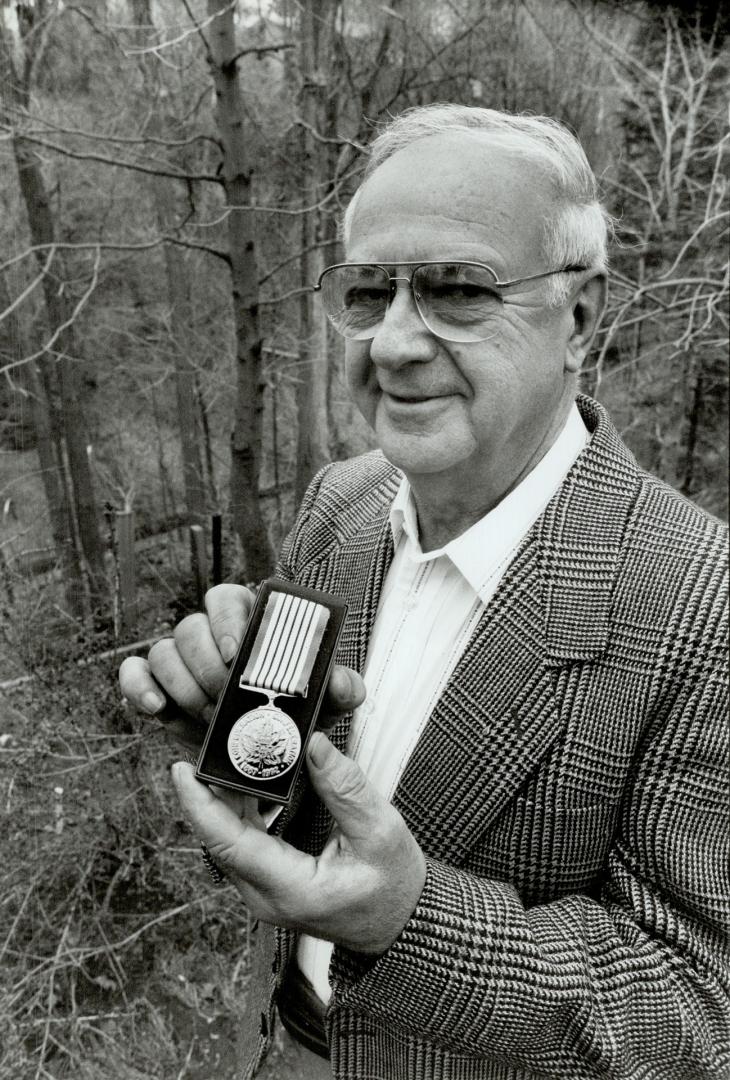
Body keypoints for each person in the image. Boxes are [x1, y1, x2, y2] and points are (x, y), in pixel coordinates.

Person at [119, 104, 729, 1080]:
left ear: (578, 316)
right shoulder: (340, 504)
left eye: (455, 291)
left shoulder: (701, 602)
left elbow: (700, 1012)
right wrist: (235, 744)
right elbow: (295, 811)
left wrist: (411, 921)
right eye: (368, 294)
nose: (393, 344)